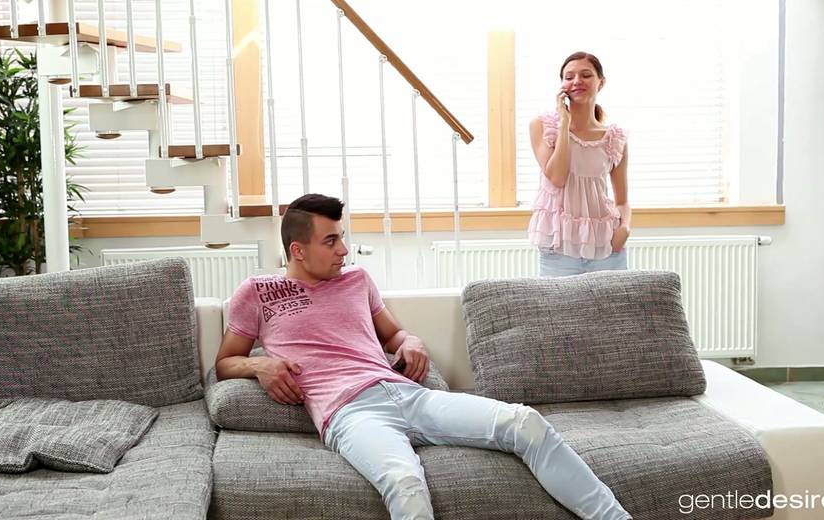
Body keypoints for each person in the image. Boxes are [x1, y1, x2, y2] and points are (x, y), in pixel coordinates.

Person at [215, 193, 632, 520]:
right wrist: (259, 364)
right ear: (298, 250)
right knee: (405, 482)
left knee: (525, 423)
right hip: (350, 413)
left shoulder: (357, 280)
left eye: (342, 237)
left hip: (408, 394)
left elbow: (393, 334)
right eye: (331, 241)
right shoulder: (259, 292)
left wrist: (411, 342)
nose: (344, 249)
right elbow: (225, 362)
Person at [528, 52, 632, 277]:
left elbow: (622, 201)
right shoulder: (543, 126)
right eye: (569, 77)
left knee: (615, 303)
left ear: (601, 82)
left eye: (586, 75)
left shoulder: (614, 137)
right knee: (558, 302)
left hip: (607, 245)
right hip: (559, 246)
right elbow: (557, 177)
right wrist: (564, 123)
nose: (577, 81)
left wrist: (624, 228)